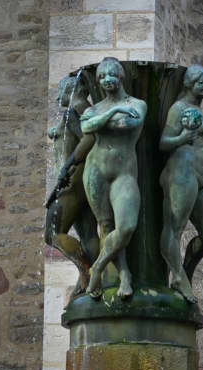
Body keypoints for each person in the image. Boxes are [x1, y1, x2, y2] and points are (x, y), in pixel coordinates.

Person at [80, 57, 147, 299]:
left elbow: (128, 124)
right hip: (95, 170)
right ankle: (124, 275)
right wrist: (116, 110)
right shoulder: (93, 109)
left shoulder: (138, 104)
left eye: (111, 75)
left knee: (126, 226)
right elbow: (87, 128)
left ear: (121, 76)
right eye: (102, 77)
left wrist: (104, 119)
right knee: (106, 226)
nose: (107, 80)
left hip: (124, 173)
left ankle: (97, 267)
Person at [158, 64, 203, 302]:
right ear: (188, 83)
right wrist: (183, 138)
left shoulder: (198, 110)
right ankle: (177, 276)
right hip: (181, 174)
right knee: (174, 228)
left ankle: (185, 273)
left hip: (198, 177)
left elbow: (202, 142)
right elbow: (163, 142)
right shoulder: (179, 108)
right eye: (201, 82)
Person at [44, 75, 99, 296]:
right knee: (87, 234)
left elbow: (90, 137)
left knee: (52, 234)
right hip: (78, 181)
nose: (58, 96)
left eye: (62, 91)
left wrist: (68, 164)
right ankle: (96, 277)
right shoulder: (77, 111)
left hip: (71, 181)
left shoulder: (73, 112)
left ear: (72, 90)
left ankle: (86, 272)